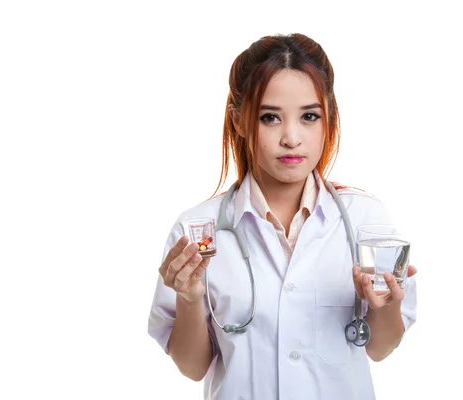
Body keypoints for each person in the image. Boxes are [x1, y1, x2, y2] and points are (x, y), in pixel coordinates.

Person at [147, 32, 417, 399]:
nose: (291, 137)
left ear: (329, 120)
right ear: (239, 121)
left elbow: (380, 348)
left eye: (309, 116)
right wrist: (191, 299)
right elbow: (194, 368)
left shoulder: (366, 221)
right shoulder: (200, 232)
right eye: (270, 117)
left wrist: (386, 306)